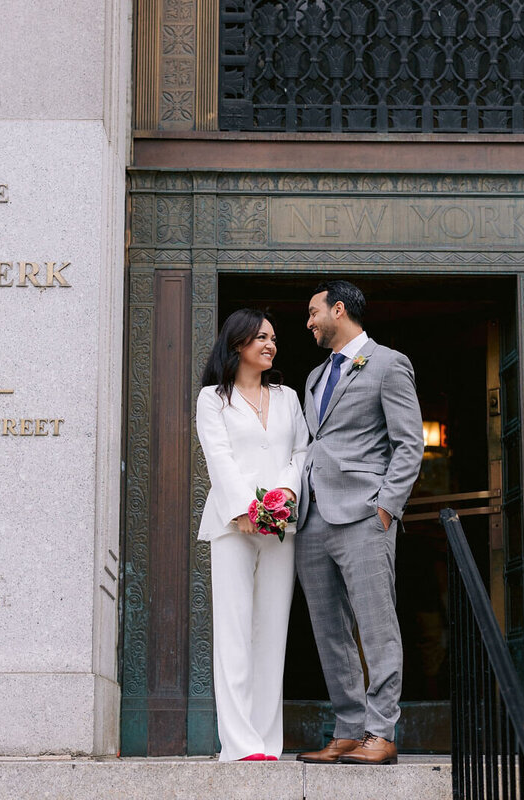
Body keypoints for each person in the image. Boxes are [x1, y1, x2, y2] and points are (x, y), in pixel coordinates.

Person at [295, 280, 424, 766]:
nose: (308, 323)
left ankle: (381, 731)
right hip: (312, 519)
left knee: (376, 626)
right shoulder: (312, 378)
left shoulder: (389, 364)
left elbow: (409, 443)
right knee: (329, 630)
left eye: (313, 313)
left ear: (339, 310)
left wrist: (387, 506)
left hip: (365, 514)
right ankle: (348, 730)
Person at [196, 308, 309, 762]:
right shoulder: (212, 398)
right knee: (234, 632)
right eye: (261, 337)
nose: (270, 345)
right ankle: (239, 745)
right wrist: (246, 508)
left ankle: (266, 743)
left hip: (282, 526)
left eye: (273, 338)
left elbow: (302, 450)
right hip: (232, 525)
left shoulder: (287, 397)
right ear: (238, 343)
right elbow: (217, 456)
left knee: (271, 634)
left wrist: (283, 493)